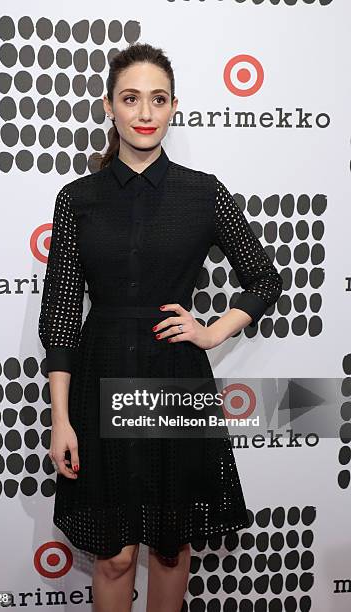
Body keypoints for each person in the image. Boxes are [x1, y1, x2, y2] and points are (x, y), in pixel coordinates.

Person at [38, 42, 283, 612]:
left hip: (176, 380)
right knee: (115, 554)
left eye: (157, 99)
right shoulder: (78, 200)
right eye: (131, 99)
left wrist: (212, 331)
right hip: (101, 380)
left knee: (171, 550)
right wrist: (61, 419)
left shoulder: (203, 193)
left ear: (173, 107)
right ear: (110, 108)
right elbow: (60, 316)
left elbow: (265, 281)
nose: (145, 112)